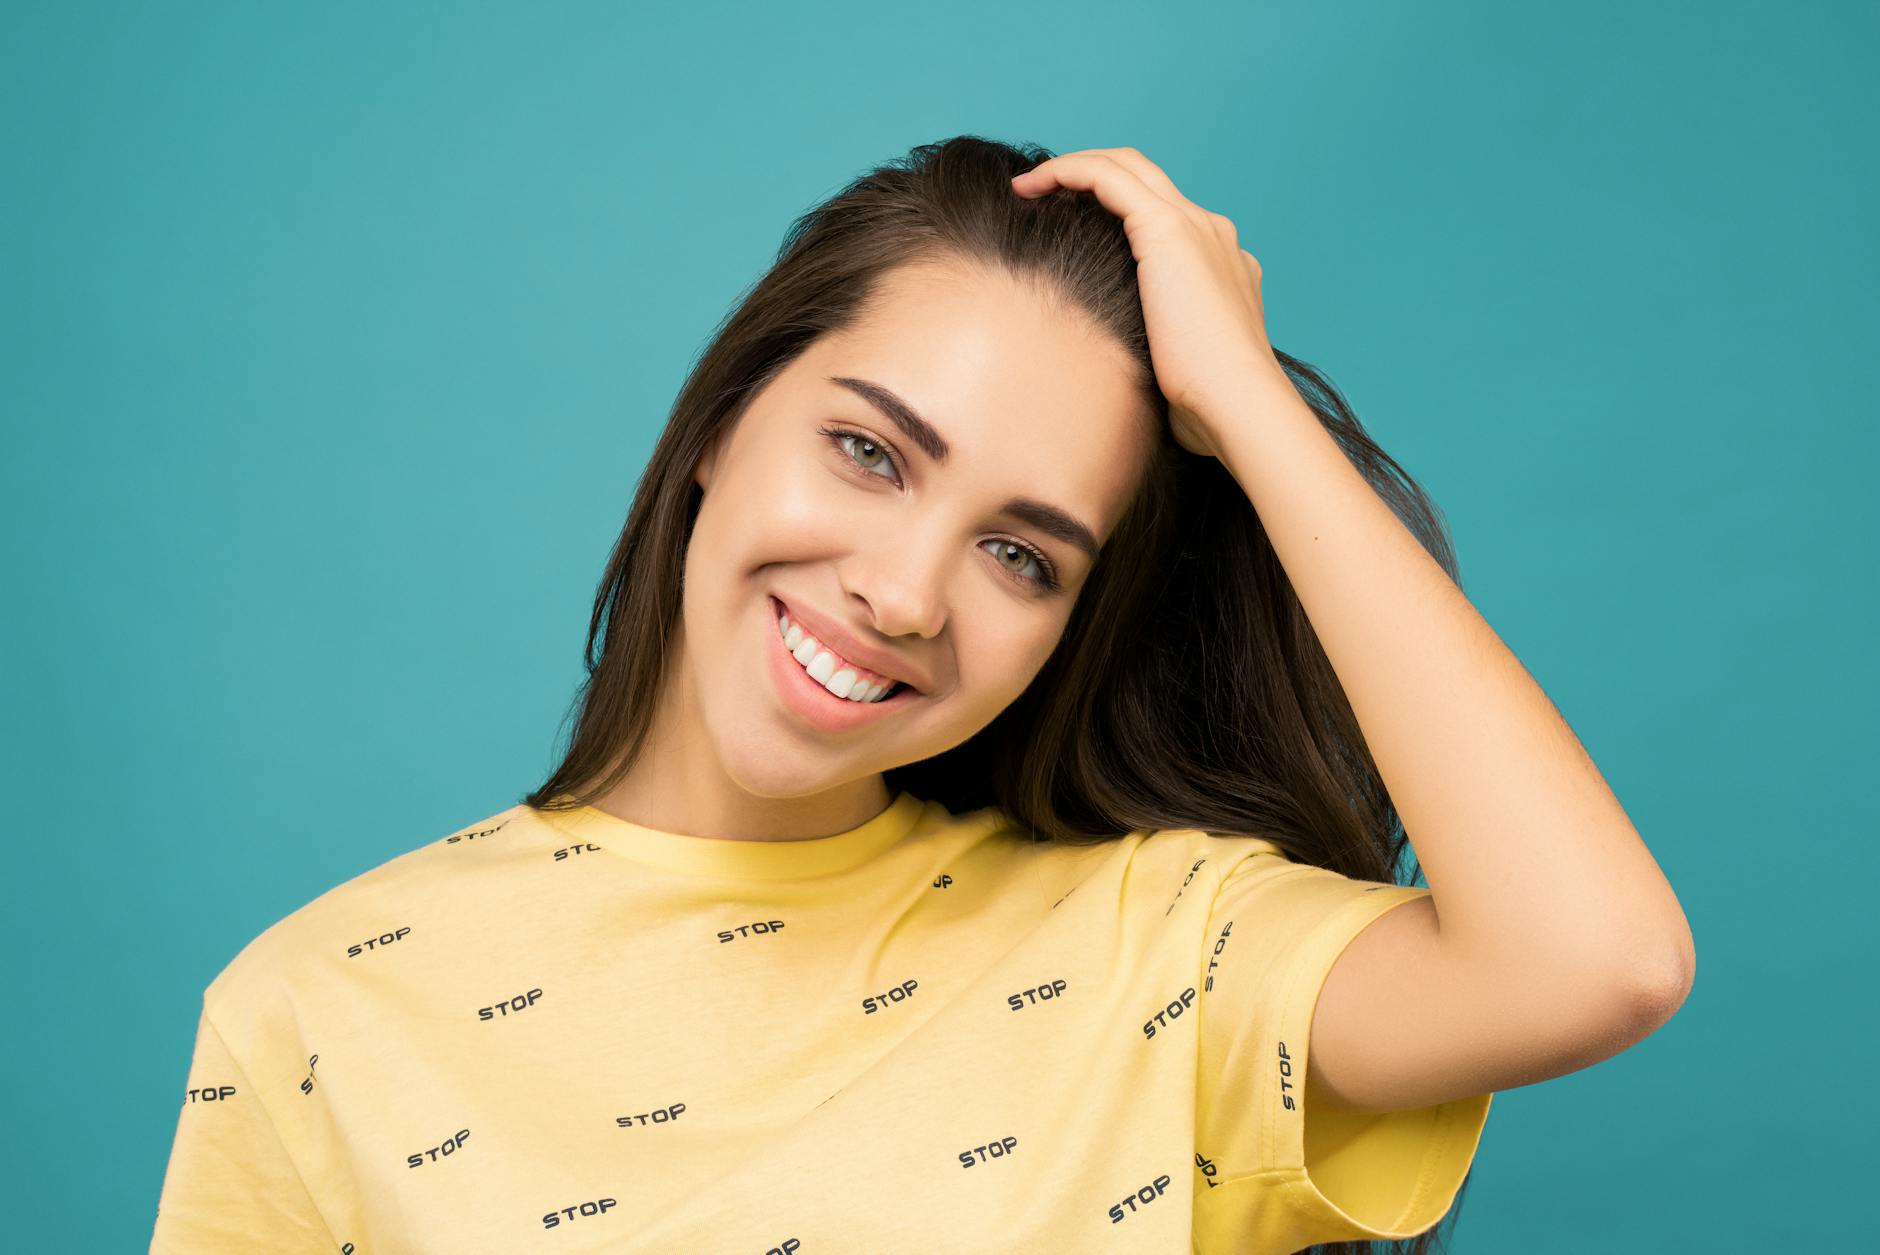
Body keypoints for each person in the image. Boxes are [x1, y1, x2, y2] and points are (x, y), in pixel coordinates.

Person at [149, 136, 1695, 1254]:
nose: (901, 593)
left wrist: (1249, 407)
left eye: (1023, 555)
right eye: (870, 452)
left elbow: (1600, 962)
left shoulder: (1160, 958)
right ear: (720, 425)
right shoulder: (323, 1007)